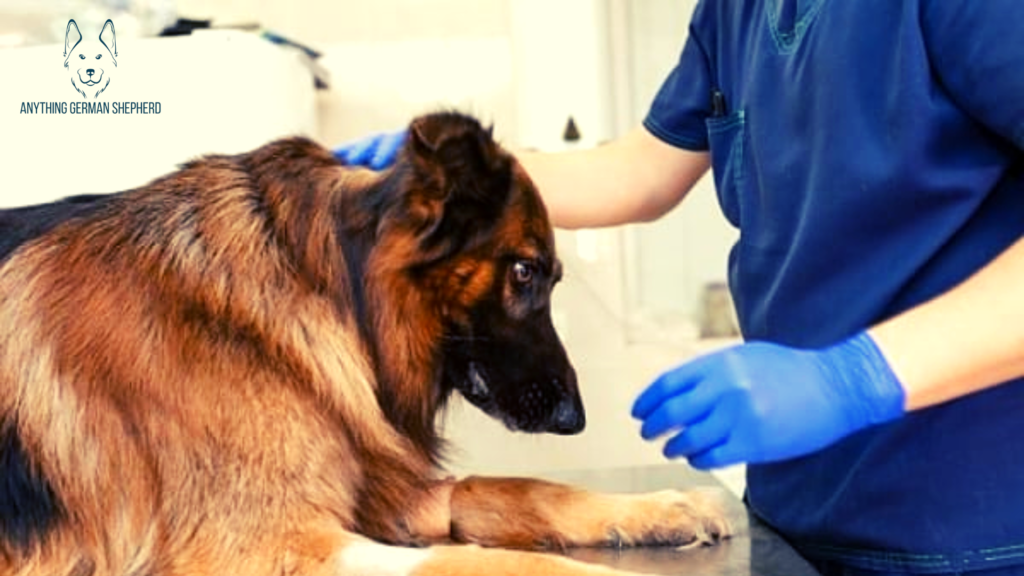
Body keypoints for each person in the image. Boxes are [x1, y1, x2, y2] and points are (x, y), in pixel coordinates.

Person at [333, 2, 1024, 575]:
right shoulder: (736, 11)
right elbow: (642, 171)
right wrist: (472, 179)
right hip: (797, 514)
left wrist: (855, 379)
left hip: (971, 530)